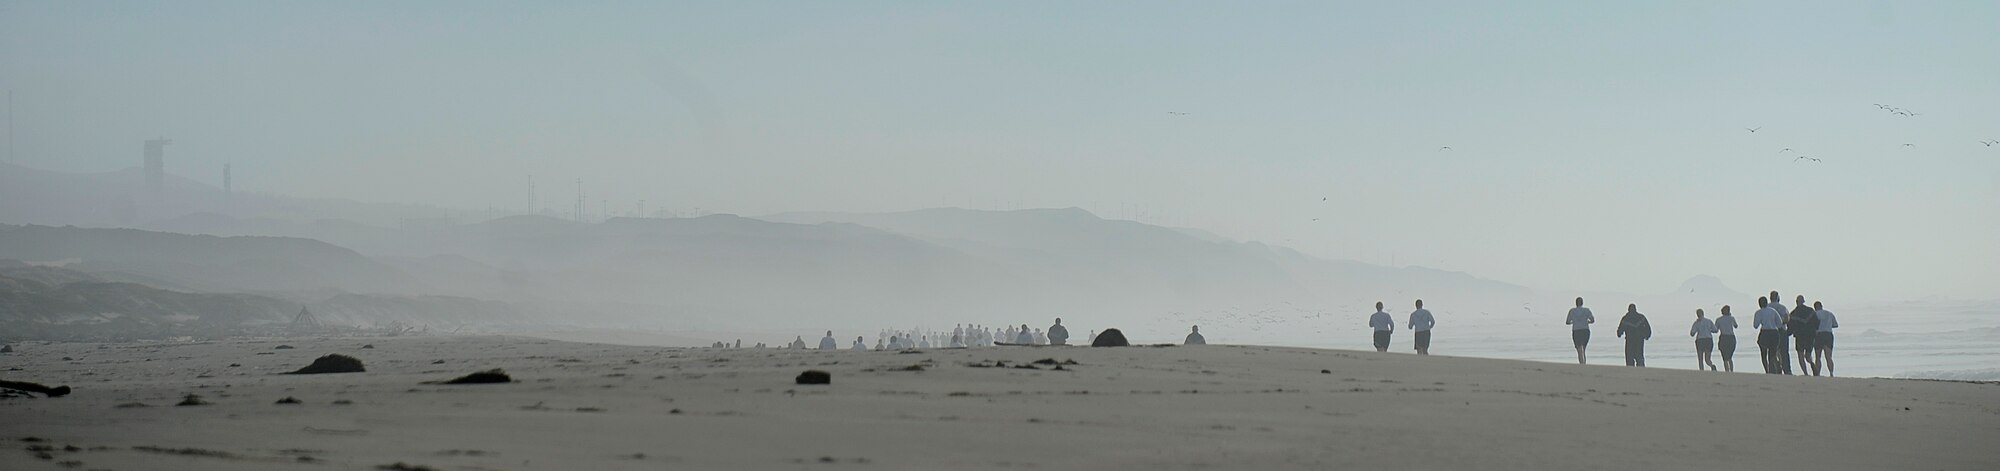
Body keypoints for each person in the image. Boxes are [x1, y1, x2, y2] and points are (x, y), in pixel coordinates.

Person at [1788, 294, 1820, 375]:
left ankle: (1805, 373)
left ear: (1796, 302)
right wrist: (1815, 331)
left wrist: (1787, 333)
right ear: (1803, 301)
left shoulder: (1793, 313)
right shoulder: (1811, 311)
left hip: (1800, 336)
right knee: (1808, 355)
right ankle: (1812, 364)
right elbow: (1817, 322)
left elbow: (1790, 327)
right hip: (1810, 335)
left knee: (1800, 355)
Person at [1752, 296, 1784, 374]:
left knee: (1763, 354)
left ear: (1759, 304)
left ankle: (1767, 370)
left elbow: (1755, 325)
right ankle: (1776, 367)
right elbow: (1780, 324)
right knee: (1772, 354)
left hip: (1764, 332)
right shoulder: (1773, 311)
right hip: (1774, 332)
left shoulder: (1758, 312)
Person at [1769, 291, 1793, 374]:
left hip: (1771, 330)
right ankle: (1787, 369)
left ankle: (1774, 369)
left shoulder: (1767, 307)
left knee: (1772, 351)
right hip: (1781, 330)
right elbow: (1787, 319)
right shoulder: (1782, 307)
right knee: (1784, 351)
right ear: (1778, 298)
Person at [1565, 297, 1595, 364]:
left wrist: (1573, 322)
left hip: (1576, 330)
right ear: (1582, 303)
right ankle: (1584, 362)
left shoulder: (1572, 311)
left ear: (1576, 303)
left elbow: (1567, 322)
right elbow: (1592, 320)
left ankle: (1581, 362)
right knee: (1583, 348)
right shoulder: (1587, 310)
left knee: (1579, 348)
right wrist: (1588, 322)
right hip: (1585, 330)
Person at [1813, 301, 1838, 377]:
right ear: (1821, 306)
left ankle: (1818, 373)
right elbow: (1835, 325)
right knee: (1828, 356)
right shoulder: (1829, 314)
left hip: (1819, 334)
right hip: (1828, 334)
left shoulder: (1815, 314)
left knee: (1818, 356)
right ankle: (1831, 373)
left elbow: (1813, 325)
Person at [1715, 305, 1739, 372]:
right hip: (1731, 337)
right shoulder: (1731, 318)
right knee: (1730, 357)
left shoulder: (1718, 319)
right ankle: (1731, 370)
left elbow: (1716, 330)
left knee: (1725, 357)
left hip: (1723, 337)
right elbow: (1736, 326)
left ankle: (1727, 370)